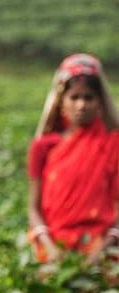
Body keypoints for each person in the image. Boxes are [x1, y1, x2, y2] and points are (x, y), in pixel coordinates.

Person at [27, 53, 119, 264]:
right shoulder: (44, 147)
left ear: (100, 103)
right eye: (74, 97)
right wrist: (50, 249)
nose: (81, 105)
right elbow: (33, 207)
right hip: (53, 249)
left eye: (88, 97)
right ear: (61, 102)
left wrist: (103, 249)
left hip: (103, 250)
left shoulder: (113, 144)